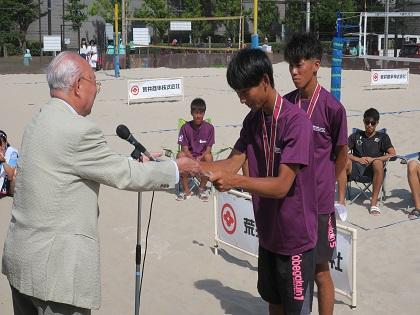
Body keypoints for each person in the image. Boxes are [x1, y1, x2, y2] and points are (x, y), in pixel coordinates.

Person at [1, 51, 201, 315]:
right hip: (55, 276)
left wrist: (136, 161)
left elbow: (81, 162)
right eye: (95, 81)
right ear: (78, 86)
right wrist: (175, 168)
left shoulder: (38, 120)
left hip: (22, 264)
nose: (97, 89)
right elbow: (125, 175)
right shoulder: (78, 130)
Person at [202, 48, 318, 315]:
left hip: (295, 240)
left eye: (245, 92)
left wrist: (236, 182)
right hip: (268, 234)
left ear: (265, 81)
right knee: (273, 304)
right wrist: (185, 167)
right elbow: (231, 162)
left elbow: (281, 186)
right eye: (237, 93)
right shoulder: (253, 120)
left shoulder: (296, 122)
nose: (242, 99)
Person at [283, 33, 348, 315]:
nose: (294, 72)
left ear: (317, 65)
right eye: (290, 66)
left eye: (300, 65)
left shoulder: (333, 108)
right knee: (294, 270)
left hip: (319, 206)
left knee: (321, 272)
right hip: (290, 202)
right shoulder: (285, 104)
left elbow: (341, 155)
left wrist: (323, 185)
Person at [345, 107, 396, 215]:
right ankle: (340, 199)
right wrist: (357, 158)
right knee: (343, 161)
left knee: (378, 163)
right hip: (357, 168)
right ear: (363, 121)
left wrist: (374, 159)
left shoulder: (383, 137)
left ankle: (373, 203)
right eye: (367, 122)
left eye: (372, 123)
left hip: (374, 171)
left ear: (377, 123)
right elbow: (343, 152)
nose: (369, 125)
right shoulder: (355, 136)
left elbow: (393, 154)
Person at [176, 98, 215, 202]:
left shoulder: (210, 128)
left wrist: (199, 159)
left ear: (204, 113)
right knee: (180, 155)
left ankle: (201, 189)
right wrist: (193, 160)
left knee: (209, 156)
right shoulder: (185, 127)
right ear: (191, 113)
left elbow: (208, 149)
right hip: (189, 157)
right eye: (196, 113)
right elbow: (184, 148)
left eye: (201, 113)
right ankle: (186, 191)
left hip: (202, 158)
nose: (198, 116)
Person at [0, 130, 18, 197]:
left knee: (14, 175)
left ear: (5, 143)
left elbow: (10, 176)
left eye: (1, 144)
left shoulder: (12, 153)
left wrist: (3, 161)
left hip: (10, 186)